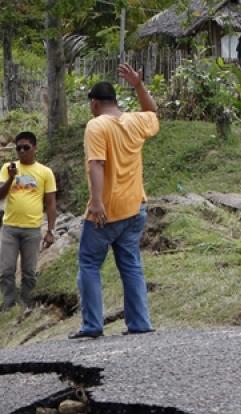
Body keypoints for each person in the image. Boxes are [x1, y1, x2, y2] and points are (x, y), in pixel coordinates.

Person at [70, 64, 159, 339]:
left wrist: (96, 203)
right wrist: (139, 86)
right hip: (136, 207)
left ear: (94, 104)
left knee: (88, 263)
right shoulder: (135, 120)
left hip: (108, 210)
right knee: (131, 264)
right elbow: (153, 112)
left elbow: (96, 163)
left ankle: (92, 325)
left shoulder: (97, 126)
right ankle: (139, 322)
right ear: (115, 102)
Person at [0, 130, 57, 311]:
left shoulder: (45, 172)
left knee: (29, 272)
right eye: (18, 148)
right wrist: (11, 178)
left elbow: (51, 203)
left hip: (32, 229)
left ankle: (26, 305)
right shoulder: (8, 168)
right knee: (6, 270)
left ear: (34, 148)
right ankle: (8, 305)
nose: (22, 151)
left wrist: (50, 230)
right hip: (10, 228)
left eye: (26, 148)